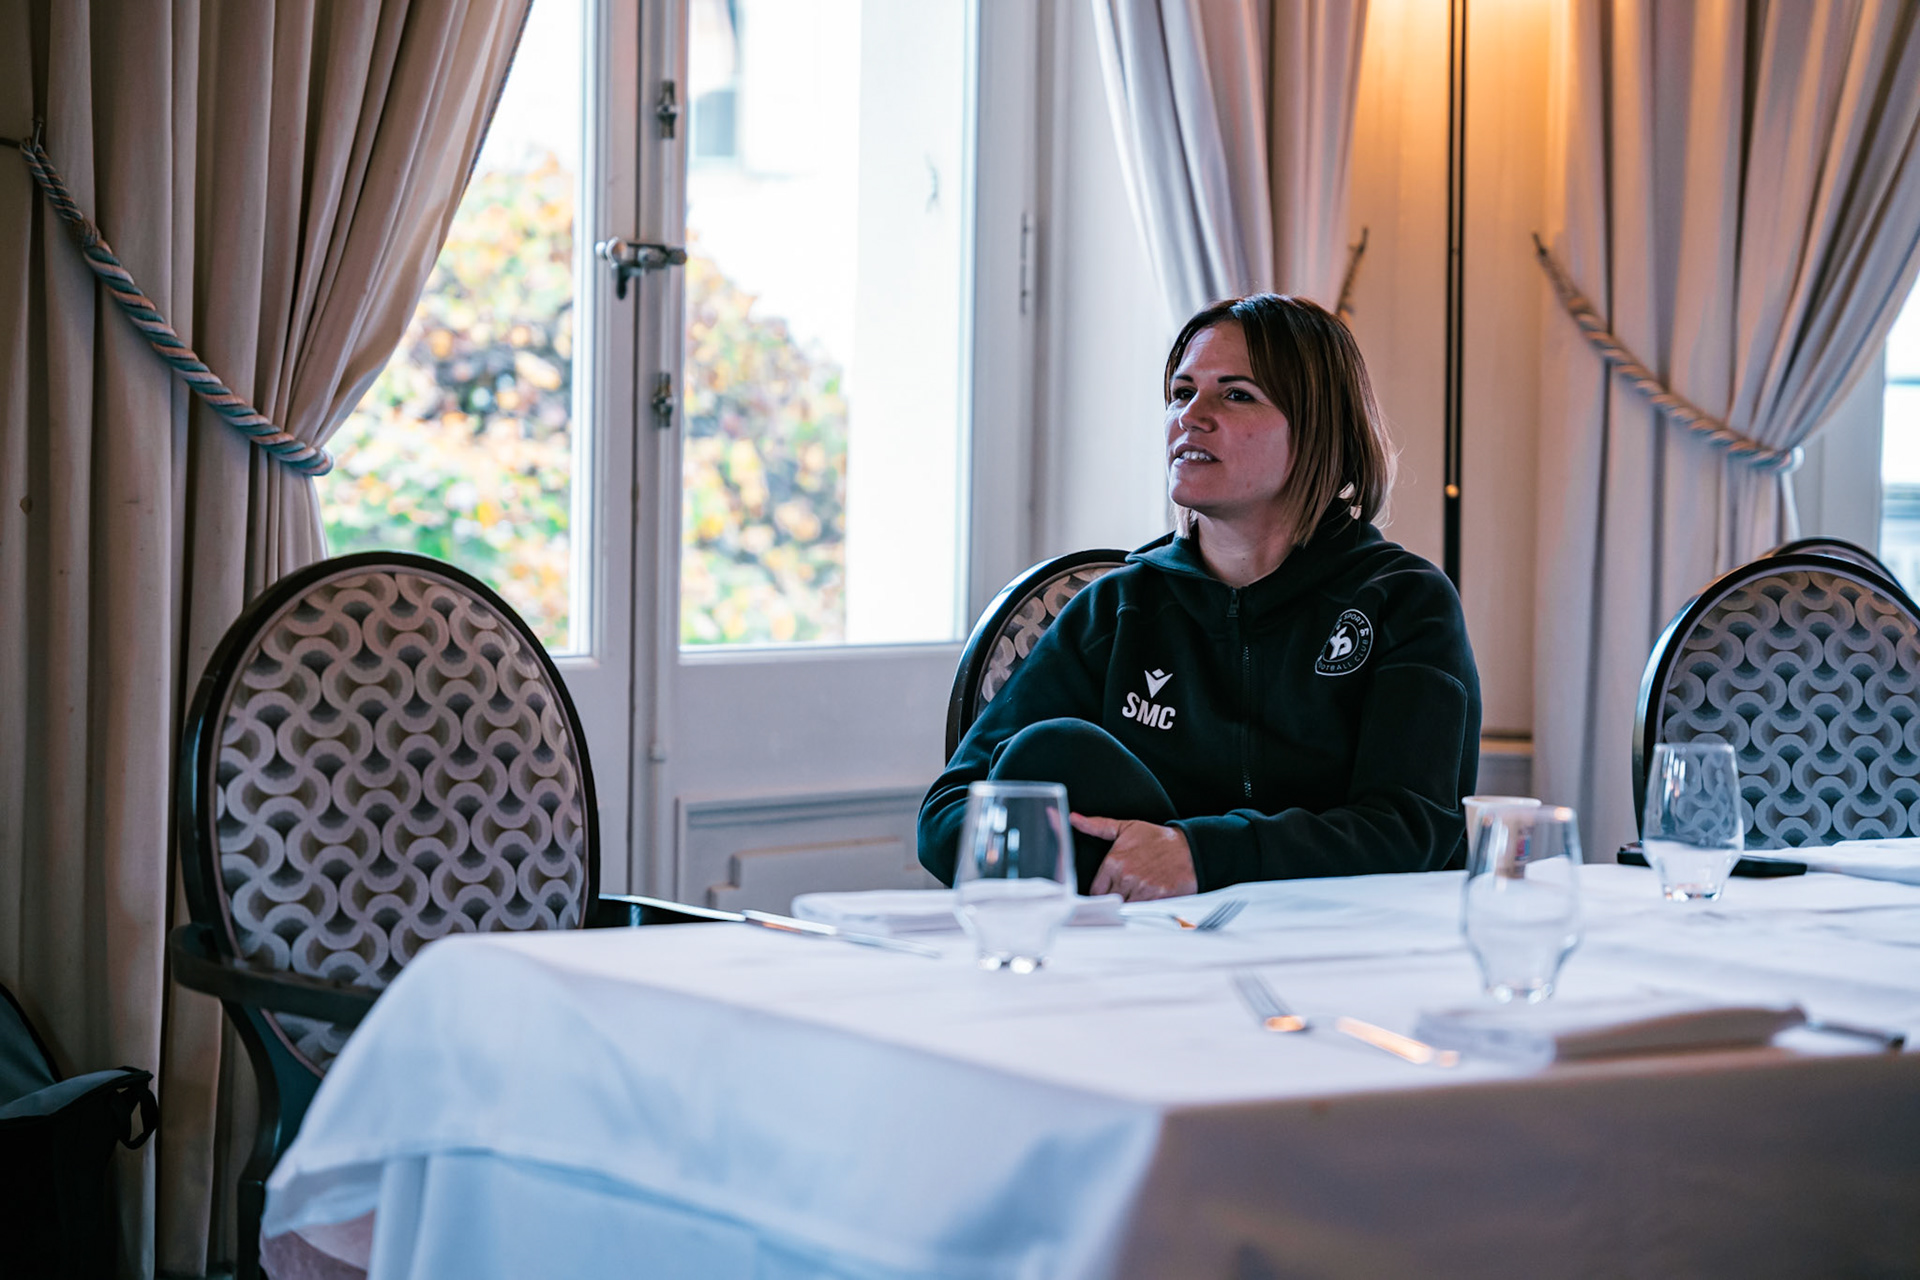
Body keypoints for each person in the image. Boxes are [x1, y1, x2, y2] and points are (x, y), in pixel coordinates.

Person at [917, 293, 1481, 900]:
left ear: (1321, 427)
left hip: (1342, 949)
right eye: (1182, 393)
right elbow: (947, 815)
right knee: (1053, 751)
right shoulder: (1115, 611)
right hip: (1142, 950)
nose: (1191, 416)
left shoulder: (1403, 602)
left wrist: (1198, 855)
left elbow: (1411, 830)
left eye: (1236, 394)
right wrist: (1117, 870)